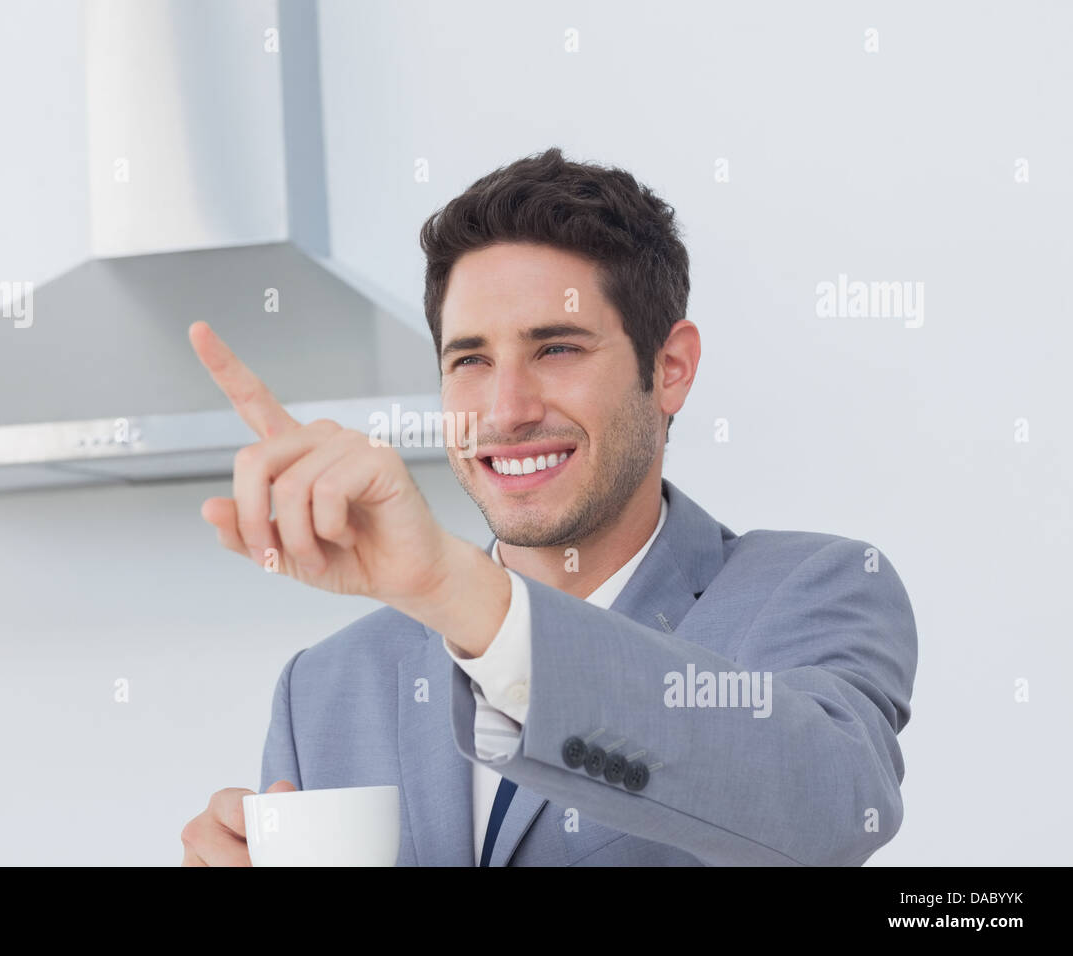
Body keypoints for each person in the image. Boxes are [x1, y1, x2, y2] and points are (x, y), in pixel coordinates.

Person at [179, 147, 917, 867]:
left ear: (669, 368)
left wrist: (461, 594)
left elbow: (831, 811)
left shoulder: (813, 587)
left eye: (556, 348)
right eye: (470, 360)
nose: (507, 410)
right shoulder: (327, 687)